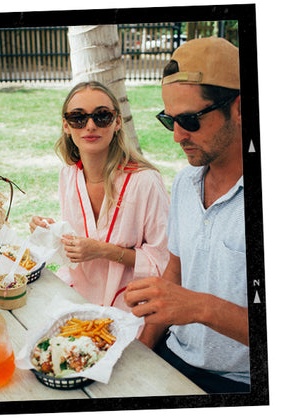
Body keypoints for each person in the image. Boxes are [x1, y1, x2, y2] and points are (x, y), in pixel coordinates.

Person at [124, 37, 250, 394]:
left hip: (239, 382)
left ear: (239, 108)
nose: (178, 136)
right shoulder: (184, 183)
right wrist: (143, 348)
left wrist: (200, 307)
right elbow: (176, 272)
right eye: (170, 120)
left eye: (190, 120)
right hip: (173, 355)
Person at [30, 81, 170, 311]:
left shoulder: (145, 181)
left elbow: (164, 261)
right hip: (78, 296)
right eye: (78, 118)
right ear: (66, 125)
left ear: (117, 122)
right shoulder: (68, 175)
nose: (90, 126)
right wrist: (50, 232)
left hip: (133, 304)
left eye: (102, 116)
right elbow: (74, 247)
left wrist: (103, 250)